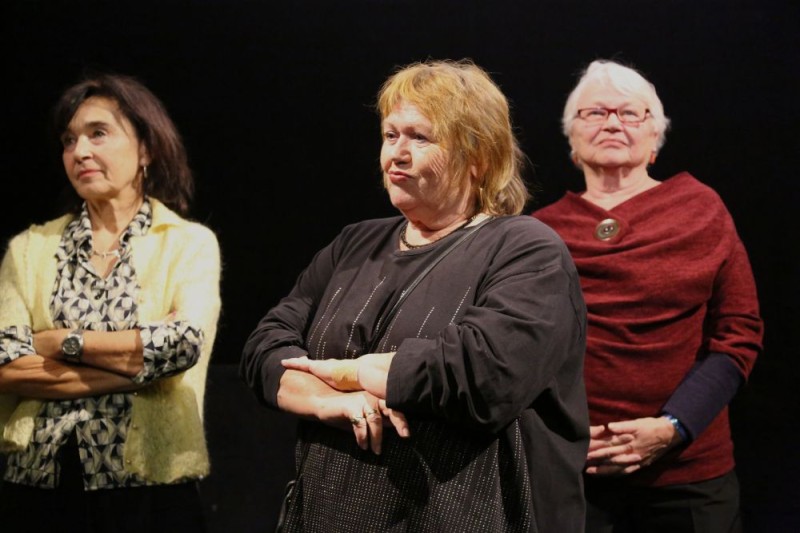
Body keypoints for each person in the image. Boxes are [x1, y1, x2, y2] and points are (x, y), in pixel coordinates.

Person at [241, 59, 589, 532]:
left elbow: (484, 374)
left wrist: (349, 371)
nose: (396, 155)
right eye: (390, 136)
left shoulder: (526, 249)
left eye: (420, 138)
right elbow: (265, 346)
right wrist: (331, 402)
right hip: (329, 512)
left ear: (478, 158)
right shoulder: (354, 244)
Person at [533, 59, 763, 532]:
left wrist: (674, 427)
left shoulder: (701, 208)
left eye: (631, 114)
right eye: (594, 113)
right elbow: (522, 350)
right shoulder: (538, 231)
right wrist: (564, 439)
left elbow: (738, 334)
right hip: (573, 474)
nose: (613, 122)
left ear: (655, 140)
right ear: (571, 143)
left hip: (688, 476)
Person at [0, 74, 221, 532]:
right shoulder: (29, 249)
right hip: (37, 484)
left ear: (146, 149)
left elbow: (181, 348)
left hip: (152, 486)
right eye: (69, 140)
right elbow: (4, 364)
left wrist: (61, 341)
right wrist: (140, 368)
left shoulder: (187, 244)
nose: (80, 151)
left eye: (98, 133)